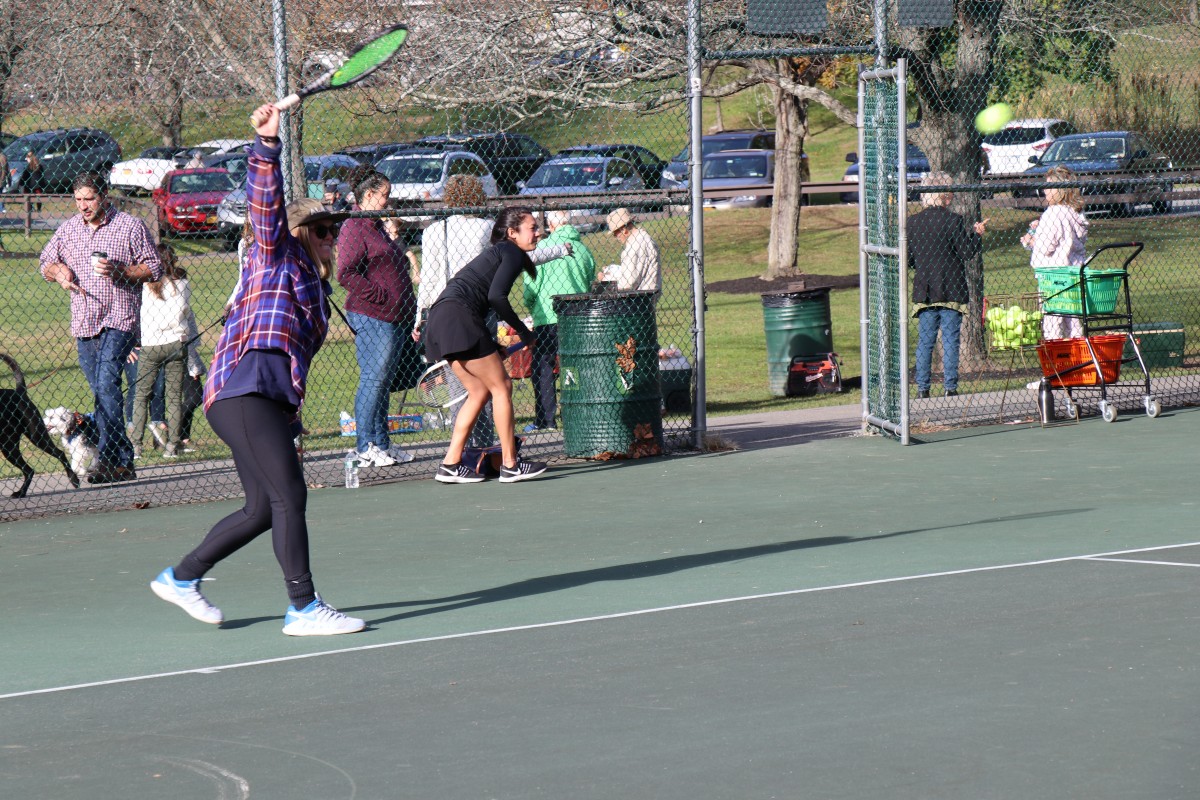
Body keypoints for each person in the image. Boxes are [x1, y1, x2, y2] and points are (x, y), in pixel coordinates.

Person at [149, 102, 364, 637]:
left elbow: (293, 370)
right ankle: (303, 607)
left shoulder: (315, 291)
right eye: (319, 228)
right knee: (291, 496)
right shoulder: (276, 256)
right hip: (241, 391)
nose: (329, 236)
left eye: (332, 228)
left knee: (264, 508)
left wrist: (290, 423)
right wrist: (268, 146)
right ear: (297, 232)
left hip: (264, 403)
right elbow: (265, 209)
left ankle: (182, 577)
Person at [39, 172, 162, 483]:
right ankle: (123, 461)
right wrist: (59, 272)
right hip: (85, 321)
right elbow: (45, 263)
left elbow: (154, 267)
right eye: (78, 199)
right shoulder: (68, 230)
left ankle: (110, 460)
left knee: (107, 385)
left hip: (119, 319)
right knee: (102, 394)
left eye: (89, 198)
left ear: (104, 195)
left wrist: (120, 270)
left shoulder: (129, 226)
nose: (84, 205)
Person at [423, 206, 549, 484]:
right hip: (457, 317)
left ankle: (450, 464)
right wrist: (523, 332)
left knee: (478, 390)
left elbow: (481, 298)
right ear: (512, 232)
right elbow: (497, 297)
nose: (538, 232)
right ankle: (510, 464)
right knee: (502, 386)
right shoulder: (512, 252)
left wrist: (491, 344)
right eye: (532, 227)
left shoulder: (502, 253)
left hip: (442, 318)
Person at [336, 167, 418, 467]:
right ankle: (365, 444)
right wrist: (381, 297)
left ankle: (382, 443)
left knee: (383, 381)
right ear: (368, 196)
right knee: (373, 378)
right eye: (384, 195)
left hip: (394, 317)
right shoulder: (353, 228)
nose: (388, 200)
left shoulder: (376, 226)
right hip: (372, 316)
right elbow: (345, 273)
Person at [907, 172, 987, 399]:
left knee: (926, 340)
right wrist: (976, 234)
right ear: (945, 195)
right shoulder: (953, 221)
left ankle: (923, 387)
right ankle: (950, 386)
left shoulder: (913, 223)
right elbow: (967, 252)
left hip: (926, 289)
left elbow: (910, 259)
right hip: (951, 287)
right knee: (951, 339)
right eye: (950, 191)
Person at [522, 210, 596, 431]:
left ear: (551, 225)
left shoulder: (542, 248)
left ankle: (546, 420)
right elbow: (589, 280)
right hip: (577, 316)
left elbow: (531, 285)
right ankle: (578, 415)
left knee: (543, 366)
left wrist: (531, 306)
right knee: (574, 364)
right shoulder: (583, 250)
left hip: (548, 314)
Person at [129, 243, 196, 459]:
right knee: (174, 396)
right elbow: (184, 312)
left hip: (150, 344)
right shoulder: (182, 283)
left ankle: (136, 445)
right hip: (176, 343)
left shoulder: (145, 283)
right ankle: (172, 445)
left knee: (141, 395)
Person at [1021, 165, 1088, 341]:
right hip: (1072, 273)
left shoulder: (1053, 213)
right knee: (1072, 320)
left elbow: (1046, 247)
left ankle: (1056, 359)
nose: (1044, 190)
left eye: (1048, 186)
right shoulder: (1075, 213)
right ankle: (1079, 356)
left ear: (1059, 190)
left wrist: (1031, 239)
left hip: (1053, 276)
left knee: (1052, 321)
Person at [599, 208, 661, 292]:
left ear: (624, 230)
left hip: (639, 298)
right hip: (647, 294)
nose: (615, 236)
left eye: (615, 232)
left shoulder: (635, 246)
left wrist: (605, 279)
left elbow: (628, 283)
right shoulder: (644, 238)